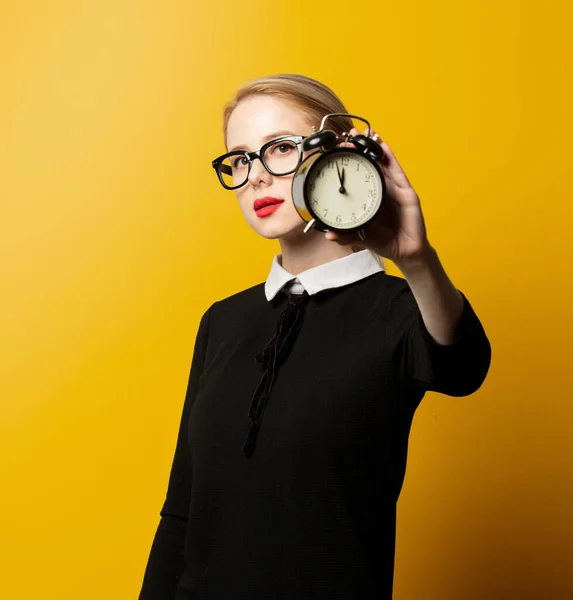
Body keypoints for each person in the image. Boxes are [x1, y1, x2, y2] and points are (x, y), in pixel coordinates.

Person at [139, 73, 491, 600]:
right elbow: (183, 506)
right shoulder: (222, 321)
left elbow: (463, 368)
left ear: (336, 156)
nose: (255, 177)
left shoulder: (400, 308)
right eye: (239, 159)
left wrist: (416, 262)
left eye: (279, 149)